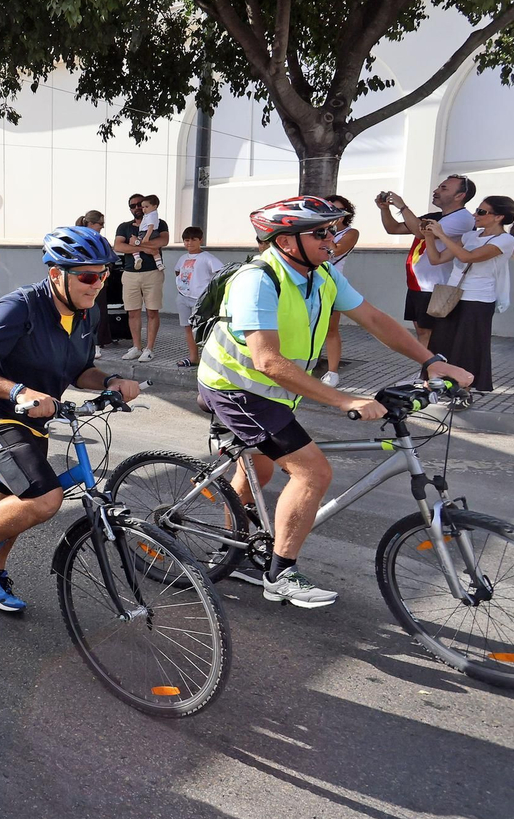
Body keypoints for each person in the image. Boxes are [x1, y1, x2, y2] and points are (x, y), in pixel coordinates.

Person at [198, 196, 473, 605]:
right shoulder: (258, 280)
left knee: (260, 469)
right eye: (322, 232)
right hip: (238, 389)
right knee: (312, 473)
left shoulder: (321, 274)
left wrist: (432, 362)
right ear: (288, 242)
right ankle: (281, 574)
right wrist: (344, 399)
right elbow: (267, 360)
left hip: (276, 390)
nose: (333, 237)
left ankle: (231, 546)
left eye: (335, 229)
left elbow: (375, 319)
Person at [0, 227, 143, 611]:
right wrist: (19, 391)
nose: (98, 284)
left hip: (36, 419)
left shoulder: (88, 312)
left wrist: (110, 381)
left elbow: (81, 370)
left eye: (103, 275)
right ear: (56, 274)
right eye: (87, 275)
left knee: (17, 503)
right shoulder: (18, 307)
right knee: (44, 497)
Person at [424, 195, 514, 392]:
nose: (476, 215)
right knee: (441, 342)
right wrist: (429, 236)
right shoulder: (470, 236)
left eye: (482, 212)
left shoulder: (505, 240)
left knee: (467, 347)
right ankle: (435, 385)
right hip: (451, 296)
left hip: (478, 299)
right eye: (477, 210)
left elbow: (468, 257)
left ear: (498, 217)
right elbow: (436, 259)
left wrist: (441, 235)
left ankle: (463, 391)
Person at [378, 175, 478, 345]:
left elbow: (420, 233)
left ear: (459, 196)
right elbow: (393, 228)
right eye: (439, 187)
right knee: (422, 332)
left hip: (437, 285)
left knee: (432, 333)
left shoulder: (463, 218)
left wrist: (402, 206)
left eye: (444, 188)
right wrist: (384, 209)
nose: (436, 191)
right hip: (418, 284)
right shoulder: (435, 216)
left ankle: (433, 369)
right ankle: (428, 369)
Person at [114, 193, 169, 361]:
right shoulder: (124, 226)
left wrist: (136, 244)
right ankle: (136, 347)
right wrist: (146, 248)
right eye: (133, 205)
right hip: (130, 274)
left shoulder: (159, 222)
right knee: (132, 312)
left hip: (153, 272)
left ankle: (149, 348)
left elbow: (162, 241)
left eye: (140, 204)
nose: (137, 208)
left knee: (152, 311)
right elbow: (118, 246)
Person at [319, 196, 360, 385]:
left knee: (331, 328)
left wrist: (327, 231)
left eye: (339, 210)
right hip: (310, 280)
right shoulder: (315, 229)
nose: (335, 214)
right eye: (330, 210)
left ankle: (333, 372)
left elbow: (336, 250)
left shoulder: (351, 233)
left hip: (332, 283)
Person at [172, 226, 225, 367]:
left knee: (204, 328)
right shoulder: (183, 258)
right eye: (186, 240)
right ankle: (194, 357)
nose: (190, 243)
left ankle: (211, 359)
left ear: (200, 240)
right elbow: (177, 271)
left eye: (193, 240)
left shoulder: (207, 258)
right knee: (187, 328)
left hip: (200, 299)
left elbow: (221, 273)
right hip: (183, 297)